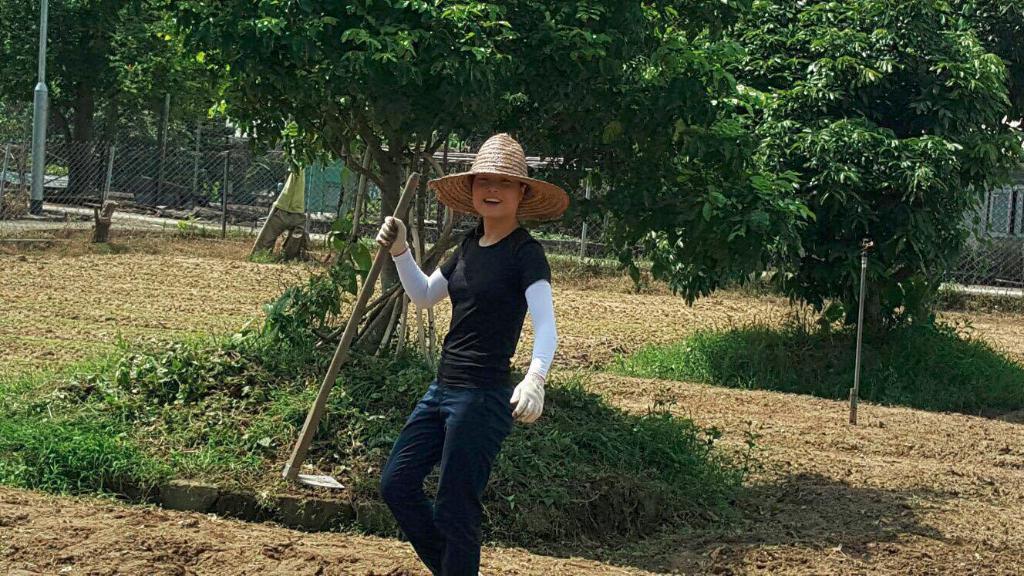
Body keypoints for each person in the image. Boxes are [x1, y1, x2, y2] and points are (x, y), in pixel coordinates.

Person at [375, 133, 569, 576]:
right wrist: (402, 249)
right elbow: (424, 296)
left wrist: (535, 378)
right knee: (397, 483)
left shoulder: (526, 254)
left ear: (522, 192)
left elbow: (547, 328)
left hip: (482, 399)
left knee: (456, 507)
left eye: (504, 182)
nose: (492, 189)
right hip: (441, 390)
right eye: (483, 180)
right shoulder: (467, 244)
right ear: (472, 188)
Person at [251, 166, 307, 258]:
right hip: (298, 209)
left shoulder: (296, 164)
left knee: (265, 240)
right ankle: (289, 257)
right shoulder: (303, 167)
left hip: (283, 207)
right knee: (296, 241)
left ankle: (260, 255)